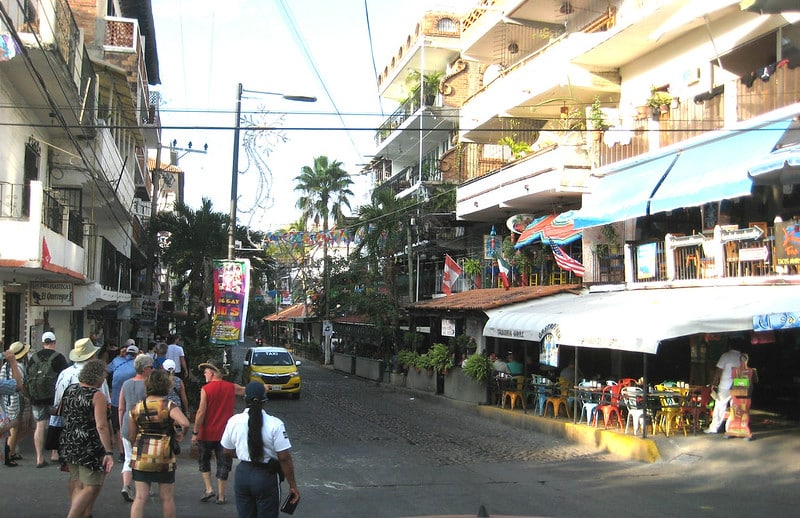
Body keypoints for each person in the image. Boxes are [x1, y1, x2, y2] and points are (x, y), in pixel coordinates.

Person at [221, 381, 299, 518]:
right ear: (265, 400)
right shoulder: (275, 424)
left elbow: (226, 450)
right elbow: (284, 457)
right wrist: (292, 485)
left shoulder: (233, 421)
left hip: (243, 474)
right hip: (266, 476)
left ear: (245, 399)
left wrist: (243, 452)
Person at [128, 369, 190, 518]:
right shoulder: (168, 405)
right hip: (164, 454)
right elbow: (185, 423)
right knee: (167, 498)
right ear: (165, 385)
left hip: (142, 453)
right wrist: (181, 435)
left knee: (140, 497)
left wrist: (136, 445)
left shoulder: (137, 407)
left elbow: (131, 435)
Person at [59, 359, 114, 518]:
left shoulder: (70, 389)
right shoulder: (97, 396)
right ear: (97, 376)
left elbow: (63, 412)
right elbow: (101, 425)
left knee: (76, 481)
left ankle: (82, 514)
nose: (104, 379)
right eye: (103, 376)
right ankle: (74, 515)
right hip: (89, 444)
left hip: (69, 439)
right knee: (92, 484)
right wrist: (108, 451)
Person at [191, 359, 245, 504]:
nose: (204, 373)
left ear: (213, 373)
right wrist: (264, 387)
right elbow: (246, 391)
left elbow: (201, 412)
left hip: (206, 432)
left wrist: (195, 432)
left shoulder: (206, 389)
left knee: (204, 460)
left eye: (206, 371)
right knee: (224, 463)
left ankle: (209, 489)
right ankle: (221, 495)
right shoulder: (231, 387)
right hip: (225, 434)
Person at [27, 331, 69, 468]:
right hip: (54, 397)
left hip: (37, 398)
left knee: (40, 425)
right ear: (54, 342)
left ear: (43, 343)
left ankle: (39, 458)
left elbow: (28, 376)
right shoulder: (59, 358)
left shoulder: (34, 358)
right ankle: (54, 453)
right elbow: (64, 378)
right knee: (56, 424)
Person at [117, 354, 154, 502]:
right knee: (146, 458)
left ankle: (126, 486)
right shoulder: (149, 385)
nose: (153, 369)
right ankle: (146, 488)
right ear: (145, 369)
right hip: (145, 424)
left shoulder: (126, 384)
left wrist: (121, 426)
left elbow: (121, 407)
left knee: (128, 458)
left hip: (127, 422)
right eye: (151, 367)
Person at [109, 343, 138, 460]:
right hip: (133, 400)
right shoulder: (138, 364)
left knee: (119, 427)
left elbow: (106, 369)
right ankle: (132, 450)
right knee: (135, 424)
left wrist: (119, 356)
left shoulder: (117, 361)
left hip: (116, 399)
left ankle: (122, 453)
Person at [3, 341, 29, 466]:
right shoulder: (18, 366)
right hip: (15, 399)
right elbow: (20, 385)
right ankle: (9, 453)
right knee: (14, 427)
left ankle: (10, 451)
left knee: (12, 428)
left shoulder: (4, 366)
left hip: (6, 400)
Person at [706, 344, 742, 434]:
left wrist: (713, 383)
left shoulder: (725, 356)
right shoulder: (743, 358)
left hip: (725, 385)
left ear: (729, 347)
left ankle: (714, 428)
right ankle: (730, 428)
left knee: (720, 407)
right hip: (738, 385)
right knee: (735, 407)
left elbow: (718, 371)